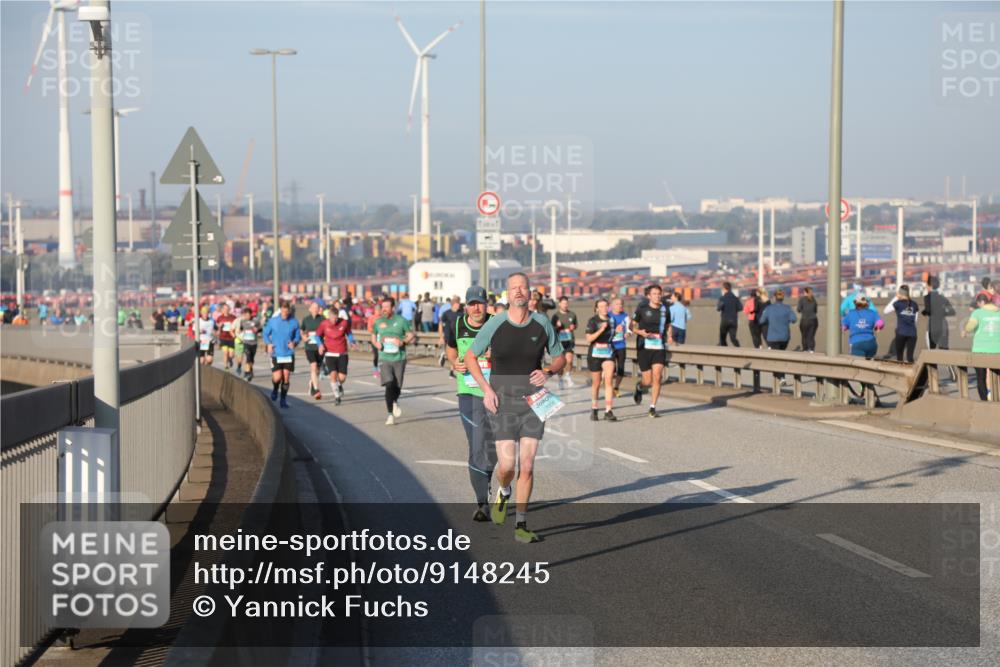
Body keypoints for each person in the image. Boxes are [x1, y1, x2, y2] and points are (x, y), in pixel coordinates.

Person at [465, 272, 566, 544]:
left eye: (523, 287)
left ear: (530, 292)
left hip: (534, 401)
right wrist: (486, 389)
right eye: (514, 288)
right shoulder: (495, 323)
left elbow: (560, 358)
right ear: (507, 294)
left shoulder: (542, 323)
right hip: (503, 401)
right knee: (507, 465)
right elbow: (470, 356)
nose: (519, 292)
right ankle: (504, 489)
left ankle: (521, 524)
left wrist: (548, 371)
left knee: (528, 465)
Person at [444, 286, 497, 520]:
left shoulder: (498, 325)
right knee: (477, 444)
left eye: (480, 303)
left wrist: (495, 356)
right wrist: (455, 362)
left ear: (487, 304)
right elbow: (451, 348)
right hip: (468, 394)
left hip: (496, 394)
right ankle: (482, 503)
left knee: (493, 449)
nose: (476, 308)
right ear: (466, 306)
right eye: (472, 304)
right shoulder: (456, 325)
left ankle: (487, 480)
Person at [372, 296, 416, 425]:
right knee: (389, 384)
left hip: (399, 358)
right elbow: (373, 336)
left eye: (387, 307)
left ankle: (395, 401)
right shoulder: (378, 322)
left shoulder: (401, 321)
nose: (384, 309)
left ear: (393, 308)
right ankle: (390, 414)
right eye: (383, 307)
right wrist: (376, 344)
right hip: (384, 358)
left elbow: (411, 335)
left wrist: (403, 341)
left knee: (397, 386)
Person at [631, 283, 669, 418]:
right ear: (648, 296)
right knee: (647, 381)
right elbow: (632, 326)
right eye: (654, 294)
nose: (658, 296)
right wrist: (639, 332)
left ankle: (652, 407)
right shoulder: (642, 308)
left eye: (659, 294)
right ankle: (640, 387)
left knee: (657, 377)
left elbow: (668, 324)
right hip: (643, 346)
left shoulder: (665, 309)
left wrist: (669, 337)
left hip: (659, 346)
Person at [263, 301, 301, 409]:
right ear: (280, 310)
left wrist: (294, 342)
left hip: (288, 353)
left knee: (286, 376)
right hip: (276, 352)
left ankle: (283, 399)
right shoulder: (273, 321)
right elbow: (265, 333)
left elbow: (297, 336)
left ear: (289, 311)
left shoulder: (294, 322)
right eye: (283, 311)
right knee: (277, 377)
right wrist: (268, 344)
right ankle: (275, 389)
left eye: (287, 311)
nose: (285, 313)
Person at [585, 298, 618, 421]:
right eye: (601, 306)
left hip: (608, 352)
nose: (604, 308)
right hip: (595, 353)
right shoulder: (592, 321)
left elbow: (613, 336)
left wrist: (620, 333)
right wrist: (601, 329)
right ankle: (594, 409)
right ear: (597, 308)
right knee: (596, 383)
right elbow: (589, 339)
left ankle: (608, 411)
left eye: (606, 306)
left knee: (609, 380)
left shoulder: (612, 320)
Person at [964, 293, 1000, 401]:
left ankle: (985, 402)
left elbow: (970, 327)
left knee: (981, 378)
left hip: (980, 350)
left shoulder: (977, 313)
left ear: (981, 303)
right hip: (997, 350)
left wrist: (965, 330)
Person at [317, 306, 351, 405]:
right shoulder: (324, 324)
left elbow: (349, 333)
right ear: (329, 316)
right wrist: (320, 345)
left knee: (342, 377)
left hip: (342, 353)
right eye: (333, 318)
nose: (335, 320)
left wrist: (352, 340)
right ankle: (337, 397)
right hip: (330, 353)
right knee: (333, 375)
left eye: (336, 318)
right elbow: (317, 335)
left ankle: (339, 384)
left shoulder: (344, 322)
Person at [884, 285, 919, 363]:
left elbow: (885, 311)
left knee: (900, 357)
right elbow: (915, 320)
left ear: (900, 293)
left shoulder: (897, 303)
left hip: (901, 332)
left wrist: (896, 297)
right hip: (912, 333)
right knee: (910, 358)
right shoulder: (914, 304)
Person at [841, 295, 883, 359]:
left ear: (855, 303)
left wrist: (845, 327)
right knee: (869, 365)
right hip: (871, 343)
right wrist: (877, 327)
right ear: (867, 304)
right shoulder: (872, 313)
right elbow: (880, 323)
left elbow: (843, 326)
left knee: (858, 365)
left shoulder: (850, 313)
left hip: (856, 343)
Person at [550, 297, 579, 389]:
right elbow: (551, 329)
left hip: (569, 340)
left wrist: (573, 326)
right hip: (559, 342)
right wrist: (557, 327)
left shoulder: (572, 314)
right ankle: (560, 379)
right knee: (560, 363)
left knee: (569, 360)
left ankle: (568, 375)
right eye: (563, 303)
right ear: (559, 304)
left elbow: (576, 325)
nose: (565, 305)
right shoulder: (556, 316)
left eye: (566, 303)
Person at [922, 275, 955, 350]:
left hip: (932, 326)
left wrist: (923, 312)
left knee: (931, 349)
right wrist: (942, 312)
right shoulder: (943, 298)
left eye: (927, 285)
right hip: (943, 326)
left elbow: (928, 311)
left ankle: (932, 362)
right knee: (944, 349)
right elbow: (952, 312)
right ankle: (947, 361)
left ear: (930, 286)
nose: (926, 287)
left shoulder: (927, 297)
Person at [301, 301, 326, 400]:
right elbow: (302, 330)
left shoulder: (323, 319)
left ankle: (312, 383)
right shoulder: (306, 320)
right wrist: (303, 337)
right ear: (310, 309)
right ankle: (316, 389)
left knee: (317, 370)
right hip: (309, 347)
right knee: (313, 366)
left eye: (317, 307)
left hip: (320, 348)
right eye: (314, 307)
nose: (315, 309)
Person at [608, 297, 630, 397]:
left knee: (621, 368)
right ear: (612, 306)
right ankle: (609, 387)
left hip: (621, 345)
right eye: (617, 304)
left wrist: (628, 334)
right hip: (610, 346)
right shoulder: (608, 316)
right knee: (612, 369)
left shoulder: (625, 316)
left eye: (621, 304)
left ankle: (616, 387)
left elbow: (630, 329)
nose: (620, 306)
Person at [438, 296, 462, 377]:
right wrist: (441, 337)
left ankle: (451, 371)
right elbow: (440, 324)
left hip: (458, 336)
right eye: (457, 303)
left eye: (459, 303)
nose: (459, 305)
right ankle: (444, 355)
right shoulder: (446, 313)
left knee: (457, 354)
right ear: (453, 304)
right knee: (453, 354)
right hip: (448, 337)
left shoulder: (461, 313)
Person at [235, 308, 261, 380]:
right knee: (248, 358)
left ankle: (250, 370)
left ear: (251, 314)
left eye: (248, 315)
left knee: (252, 359)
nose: (246, 316)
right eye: (245, 315)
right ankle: (247, 373)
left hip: (254, 343)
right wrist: (240, 332)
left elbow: (260, 329)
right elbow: (240, 328)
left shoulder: (256, 320)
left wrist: (257, 330)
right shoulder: (242, 321)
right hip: (246, 342)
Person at [215, 303, 238, 372]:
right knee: (225, 353)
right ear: (222, 310)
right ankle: (225, 366)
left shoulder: (233, 317)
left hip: (231, 338)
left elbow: (237, 326)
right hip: (223, 337)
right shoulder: (220, 318)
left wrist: (233, 328)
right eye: (224, 309)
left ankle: (230, 359)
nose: (226, 310)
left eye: (227, 309)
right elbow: (217, 327)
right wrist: (219, 327)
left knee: (231, 354)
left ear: (229, 309)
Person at [717, 282, 741, 346]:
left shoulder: (722, 298)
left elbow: (718, 308)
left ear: (724, 289)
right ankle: (739, 350)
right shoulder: (736, 298)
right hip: (733, 320)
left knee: (722, 337)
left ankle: (724, 350)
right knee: (733, 338)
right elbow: (740, 308)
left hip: (725, 320)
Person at [797, 287, 819, 352]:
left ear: (805, 292)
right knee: (811, 336)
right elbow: (815, 311)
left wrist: (803, 310)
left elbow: (798, 309)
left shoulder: (802, 299)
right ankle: (811, 349)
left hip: (805, 320)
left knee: (804, 335)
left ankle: (805, 349)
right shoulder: (814, 300)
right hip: (814, 320)